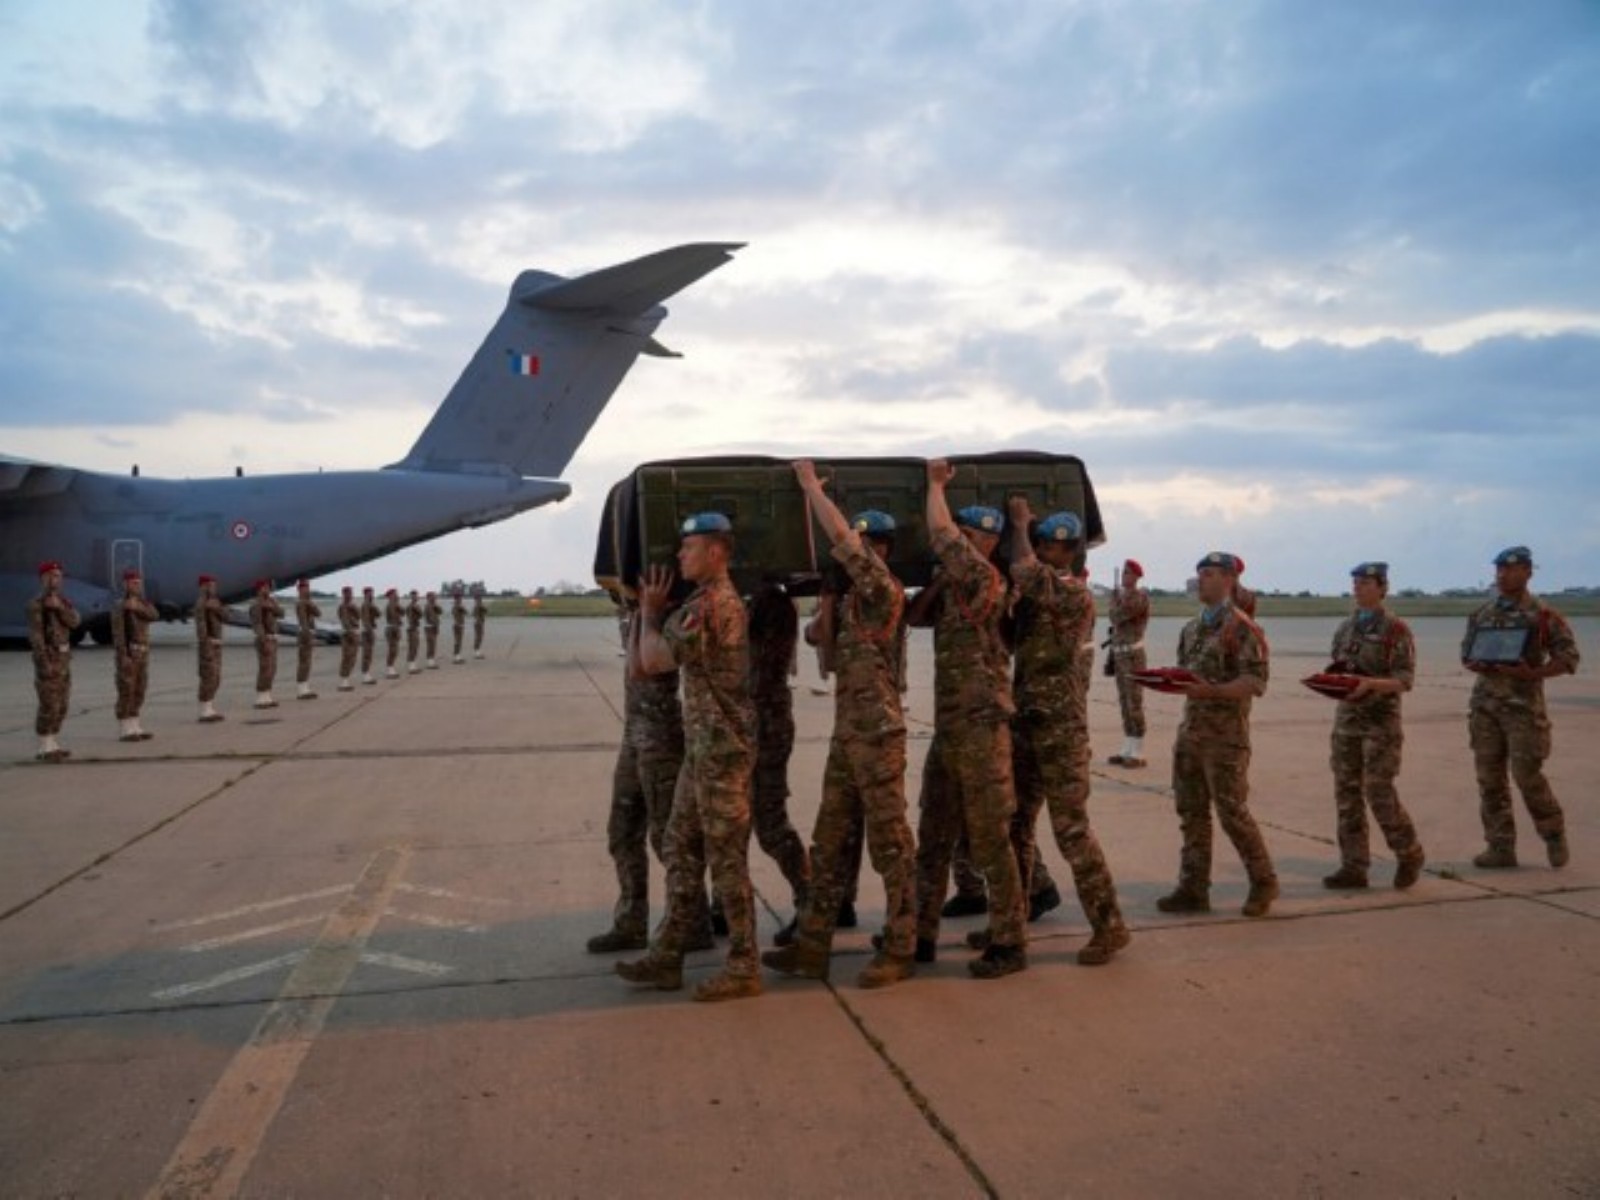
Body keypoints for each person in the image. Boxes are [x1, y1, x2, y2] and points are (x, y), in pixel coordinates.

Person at [764, 462, 918, 988]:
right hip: (848, 734)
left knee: (890, 845)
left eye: (869, 543)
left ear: (884, 549)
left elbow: (838, 537)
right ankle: (812, 948)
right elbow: (815, 642)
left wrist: (810, 488)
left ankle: (900, 948)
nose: (861, 550)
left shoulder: (883, 588)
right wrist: (827, 601)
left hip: (877, 734)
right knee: (829, 844)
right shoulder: (853, 600)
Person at [618, 512, 762, 1003]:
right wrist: (645, 610)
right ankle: (667, 957)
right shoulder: (698, 603)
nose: (679, 556)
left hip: (722, 753)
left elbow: (654, 660)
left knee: (725, 861)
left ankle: (744, 966)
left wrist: (652, 613)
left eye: (689, 548)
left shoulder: (714, 605)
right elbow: (642, 668)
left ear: (717, 553)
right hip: (702, 753)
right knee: (679, 848)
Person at [999, 498, 1130, 964]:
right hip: (1028, 724)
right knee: (1014, 826)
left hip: (1061, 731)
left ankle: (1109, 925)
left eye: (1046, 547)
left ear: (1067, 551)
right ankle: (1010, 926)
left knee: (1071, 829)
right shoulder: (1039, 599)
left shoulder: (1072, 593)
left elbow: (1024, 570)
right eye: (1037, 545)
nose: (1039, 552)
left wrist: (1017, 525)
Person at [913, 460, 1027, 979]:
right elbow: (915, 616)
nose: (955, 535)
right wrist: (936, 586)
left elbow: (937, 531)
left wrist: (935, 484)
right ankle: (919, 933)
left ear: (984, 542)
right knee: (933, 836)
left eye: (966, 532)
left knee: (988, 839)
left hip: (982, 731)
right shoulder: (957, 587)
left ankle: (1009, 940)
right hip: (951, 730)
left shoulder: (985, 579)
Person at [1158, 551, 1279, 917]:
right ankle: (1193, 888)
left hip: (1225, 738)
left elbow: (1254, 681)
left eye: (1209, 574)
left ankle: (1263, 882)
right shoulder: (1192, 628)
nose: (1202, 581)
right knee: (1191, 812)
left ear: (1229, 580)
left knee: (1232, 813)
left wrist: (1212, 691)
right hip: (1191, 732)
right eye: (1200, 574)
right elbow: (1186, 673)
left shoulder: (1242, 627)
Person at [1462, 546, 1581, 870]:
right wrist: (1480, 661)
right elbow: (1466, 655)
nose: (1503, 575)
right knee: (1489, 780)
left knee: (1527, 776)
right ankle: (1500, 847)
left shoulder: (1543, 616)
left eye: (1511, 570)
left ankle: (1553, 832)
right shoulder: (1482, 614)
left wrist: (1534, 673)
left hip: (1523, 710)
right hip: (1485, 708)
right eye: (1499, 570)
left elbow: (1568, 659)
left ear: (1528, 572)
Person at [588, 599, 689, 953]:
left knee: (667, 839)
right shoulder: (636, 609)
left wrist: (647, 610)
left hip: (660, 737)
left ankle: (694, 922)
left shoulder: (661, 610)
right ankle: (631, 921)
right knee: (622, 832)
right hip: (635, 734)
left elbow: (641, 669)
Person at [1319, 563, 1426, 889]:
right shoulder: (1345, 628)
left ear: (1382, 588)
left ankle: (1408, 852)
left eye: (1365, 582)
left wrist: (1371, 684)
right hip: (1347, 723)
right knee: (1347, 794)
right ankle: (1354, 866)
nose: (1358, 588)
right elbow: (1340, 666)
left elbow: (1404, 680)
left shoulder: (1395, 630)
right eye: (1355, 582)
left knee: (1378, 791)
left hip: (1380, 724)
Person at [745, 582, 812, 939]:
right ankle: (721, 908)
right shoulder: (755, 602)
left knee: (770, 824)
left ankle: (809, 899)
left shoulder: (772, 604)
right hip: (751, 723)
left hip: (765, 724)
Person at [28, 560, 79, 761]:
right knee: (48, 703)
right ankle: (44, 746)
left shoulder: (63, 602)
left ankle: (53, 742)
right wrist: (43, 663)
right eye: (50, 576)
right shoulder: (36, 605)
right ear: (42, 579)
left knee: (62, 703)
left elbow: (74, 622)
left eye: (57, 576)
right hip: (48, 659)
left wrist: (59, 608)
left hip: (64, 659)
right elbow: (36, 637)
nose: (54, 579)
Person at [1107, 559, 1151, 768]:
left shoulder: (1139, 597)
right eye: (1123, 573)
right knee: (1124, 702)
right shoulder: (1123, 597)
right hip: (1120, 655)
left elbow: (1117, 617)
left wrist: (1114, 601)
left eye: (1127, 573)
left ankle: (1138, 751)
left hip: (1133, 656)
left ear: (1135, 576)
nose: (1124, 577)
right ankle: (1127, 746)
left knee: (1134, 702)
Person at [112, 567, 159, 741]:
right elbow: (118, 634)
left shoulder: (143, 604)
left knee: (140, 689)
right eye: (133, 583)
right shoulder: (120, 605)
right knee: (126, 690)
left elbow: (154, 615)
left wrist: (137, 607)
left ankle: (136, 725)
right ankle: (125, 728)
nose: (137, 586)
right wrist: (123, 655)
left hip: (142, 653)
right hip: (129, 653)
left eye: (139, 583)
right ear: (125, 584)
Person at [195, 574, 227, 722]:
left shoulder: (215, 602)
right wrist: (205, 643)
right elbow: (201, 625)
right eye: (211, 585)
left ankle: (210, 706)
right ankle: (205, 709)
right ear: (204, 586)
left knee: (216, 677)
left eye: (215, 585)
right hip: (208, 644)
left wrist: (218, 608)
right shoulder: (201, 603)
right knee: (208, 676)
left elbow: (227, 617)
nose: (214, 588)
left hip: (217, 643)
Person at [249, 579, 284, 708]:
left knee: (272, 668)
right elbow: (257, 624)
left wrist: (272, 606)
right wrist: (263, 639)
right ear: (259, 589)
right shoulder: (256, 605)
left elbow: (282, 614)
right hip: (264, 639)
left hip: (273, 638)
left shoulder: (271, 602)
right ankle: (260, 697)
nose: (268, 589)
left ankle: (267, 696)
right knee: (265, 668)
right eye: (265, 587)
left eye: (269, 587)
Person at [294, 579, 321, 699]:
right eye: (304, 588)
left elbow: (318, 613)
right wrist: (306, 634)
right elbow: (303, 620)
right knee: (304, 661)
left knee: (307, 661)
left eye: (308, 587)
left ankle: (305, 686)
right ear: (299, 589)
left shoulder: (308, 602)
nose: (307, 590)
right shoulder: (300, 603)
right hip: (304, 633)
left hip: (309, 632)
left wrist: (310, 603)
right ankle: (301, 689)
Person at [336, 586, 361, 691]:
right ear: (344, 594)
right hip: (348, 634)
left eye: (351, 593)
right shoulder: (343, 607)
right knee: (347, 656)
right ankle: (343, 681)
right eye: (348, 593)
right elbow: (345, 621)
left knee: (353, 657)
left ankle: (346, 679)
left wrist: (354, 608)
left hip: (354, 632)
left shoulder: (352, 606)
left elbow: (359, 616)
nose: (350, 595)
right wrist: (350, 632)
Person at [359, 586, 380, 685]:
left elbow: (378, 614)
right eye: (369, 593)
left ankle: (367, 673)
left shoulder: (370, 605)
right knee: (367, 653)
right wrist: (370, 632)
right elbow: (366, 620)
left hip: (370, 630)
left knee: (369, 653)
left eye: (372, 593)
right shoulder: (365, 605)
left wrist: (373, 605)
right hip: (367, 631)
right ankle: (365, 675)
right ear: (365, 594)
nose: (371, 595)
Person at [383, 589, 403, 679]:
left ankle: (391, 667)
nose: (397, 596)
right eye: (395, 594)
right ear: (391, 596)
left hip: (395, 628)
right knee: (392, 650)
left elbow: (403, 612)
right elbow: (394, 617)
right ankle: (389, 669)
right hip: (392, 629)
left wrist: (398, 603)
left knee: (395, 650)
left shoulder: (395, 605)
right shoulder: (390, 605)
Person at [405, 590, 423, 674]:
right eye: (414, 596)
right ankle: (411, 667)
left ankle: (413, 665)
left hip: (415, 628)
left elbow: (421, 614)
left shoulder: (416, 606)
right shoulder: (410, 607)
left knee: (415, 647)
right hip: (411, 628)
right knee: (412, 647)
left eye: (416, 596)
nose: (416, 597)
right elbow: (410, 618)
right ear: (411, 597)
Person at [424, 591, 442, 668]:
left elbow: (440, 612)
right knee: (431, 644)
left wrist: (436, 606)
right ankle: (430, 662)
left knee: (433, 644)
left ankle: (431, 660)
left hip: (434, 627)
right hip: (430, 627)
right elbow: (431, 618)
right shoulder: (428, 606)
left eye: (435, 596)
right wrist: (435, 625)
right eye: (433, 596)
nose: (435, 598)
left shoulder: (434, 606)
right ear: (428, 598)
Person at [451, 586, 467, 663]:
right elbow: (464, 612)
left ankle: (458, 656)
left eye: (460, 597)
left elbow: (465, 612)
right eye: (459, 597)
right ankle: (456, 657)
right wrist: (461, 607)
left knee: (459, 641)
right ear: (456, 598)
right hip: (457, 625)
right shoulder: (456, 606)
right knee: (457, 641)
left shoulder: (458, 606)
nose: (461, 599)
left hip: (460, 625)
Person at [472, 589, 488, 658]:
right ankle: (476, 652)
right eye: (479, 597)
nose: (481, 598)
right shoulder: (478, 605)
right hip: (479, 623)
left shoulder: (479, 605)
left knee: (479, 637)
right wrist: (479, 621)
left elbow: (485, 611)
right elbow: (475, 614)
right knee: (479, 637)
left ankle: (477, 651)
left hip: (480, 622)